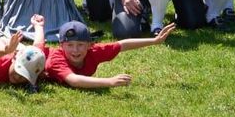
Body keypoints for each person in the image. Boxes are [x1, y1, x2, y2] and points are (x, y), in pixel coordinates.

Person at [45, 20, 175, 89]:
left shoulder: (94, 52)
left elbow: (122, 45)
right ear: (61, 46)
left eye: (80, 44)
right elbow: (74, 80)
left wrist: (154, 41)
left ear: (89, 45)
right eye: (70, 45)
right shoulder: (57, 58)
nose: (75, 50)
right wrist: (109, 81)